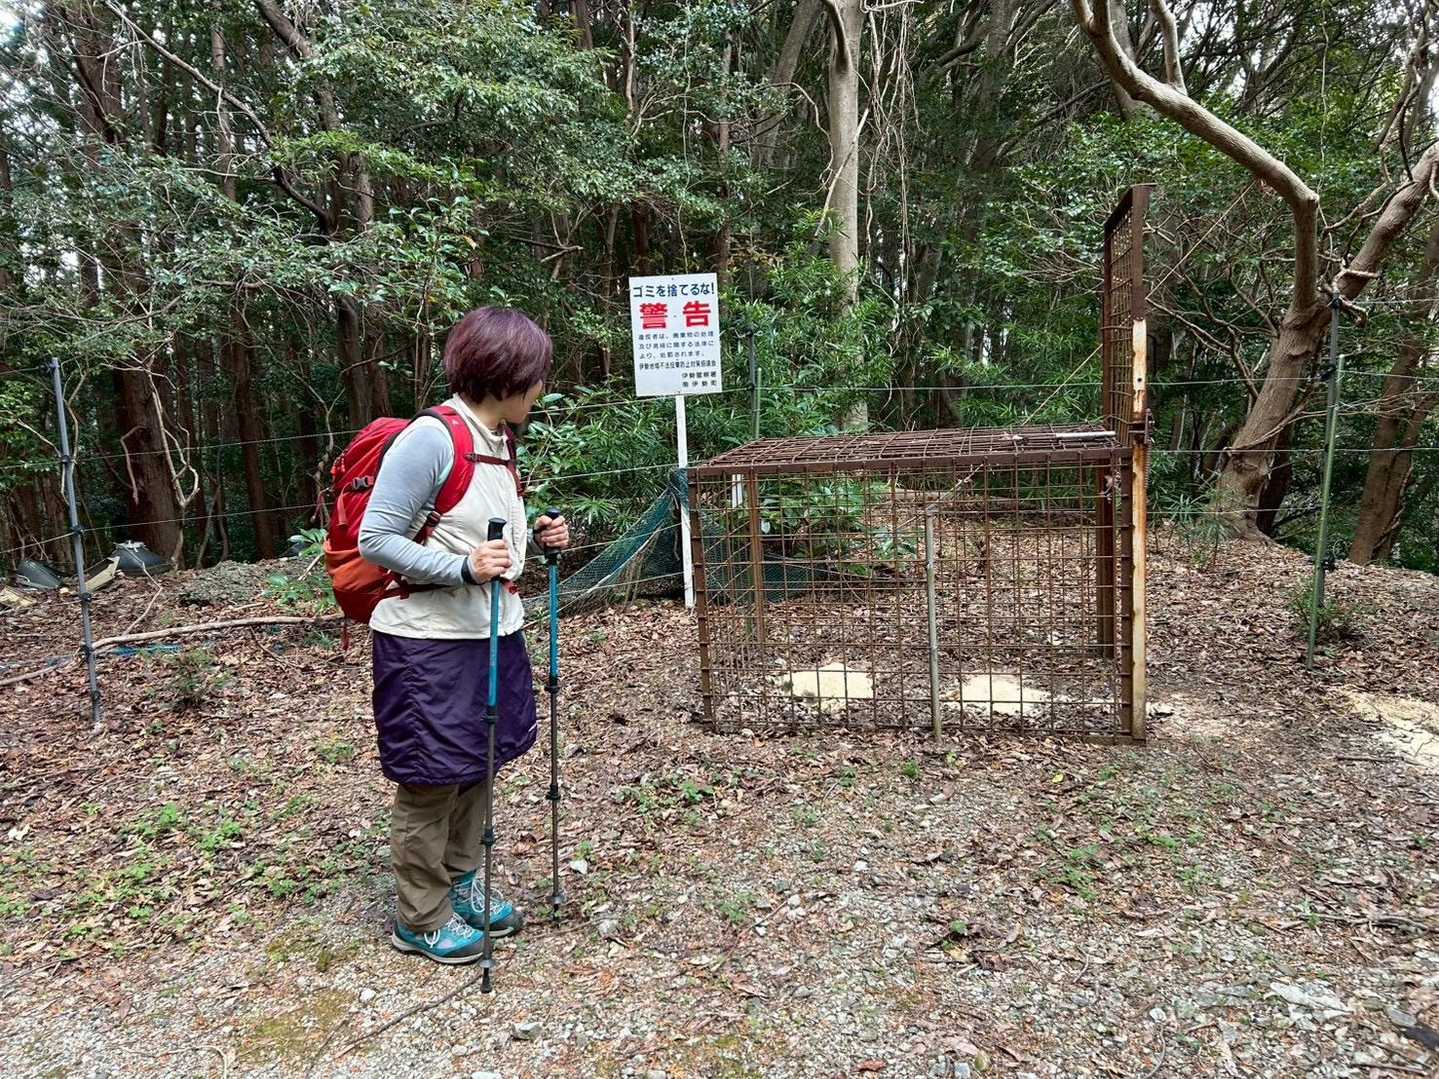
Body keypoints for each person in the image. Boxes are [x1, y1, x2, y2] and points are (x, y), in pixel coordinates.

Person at [357, 307, 569, 965]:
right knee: (431, 774)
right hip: (426, 642)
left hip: (490, 633)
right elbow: (376, 538)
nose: (540, 389)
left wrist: (539, 539)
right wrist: (461, 567)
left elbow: (484, 535)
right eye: (535, 377)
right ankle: (421, 916)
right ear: (504, 375)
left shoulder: (498, 439)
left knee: (480, 760)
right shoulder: (432, 439)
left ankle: (459, 881)